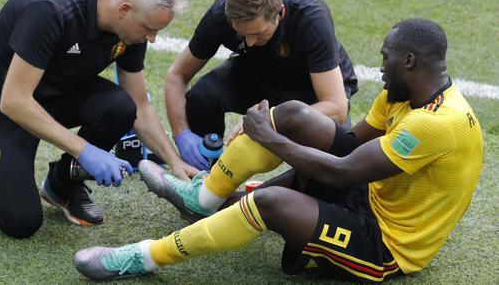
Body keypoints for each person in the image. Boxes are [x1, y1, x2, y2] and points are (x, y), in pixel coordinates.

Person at [74, 18, 483, 282]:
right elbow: (350, 146)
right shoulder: (402, 96)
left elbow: (341, 171)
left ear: (409, 61)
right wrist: (281, 129)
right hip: (373, 196)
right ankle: (205, 197)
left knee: (273, 202)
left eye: (386, 57)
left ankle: (142, 257)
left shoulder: (433, 123)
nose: (380, 66)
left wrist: (269, 139)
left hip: (387, 244)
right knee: (292, 115)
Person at [0, 0, 197, 239]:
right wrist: (85, 151)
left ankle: (62, 186)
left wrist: (175, 162)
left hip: (56, 93)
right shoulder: (51, 11)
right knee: (21, 221)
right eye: (149, 29)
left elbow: (140, 106)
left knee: (121, 107)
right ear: (125, 9)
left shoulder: (132, 31)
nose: (152, 38)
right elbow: (14, 101)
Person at [165, 0, 358, 171]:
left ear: (280, 13)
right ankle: (204, 175)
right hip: (257, 72)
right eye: (241, 34)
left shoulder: (310, 16)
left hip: (312, 88)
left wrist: (268, 119)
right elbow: (177, 75)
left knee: (335, 153)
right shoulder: (220, 14)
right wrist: (182, 134)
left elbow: (336, 107)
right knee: (202, 97)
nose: (249, 42)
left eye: (258, 33)